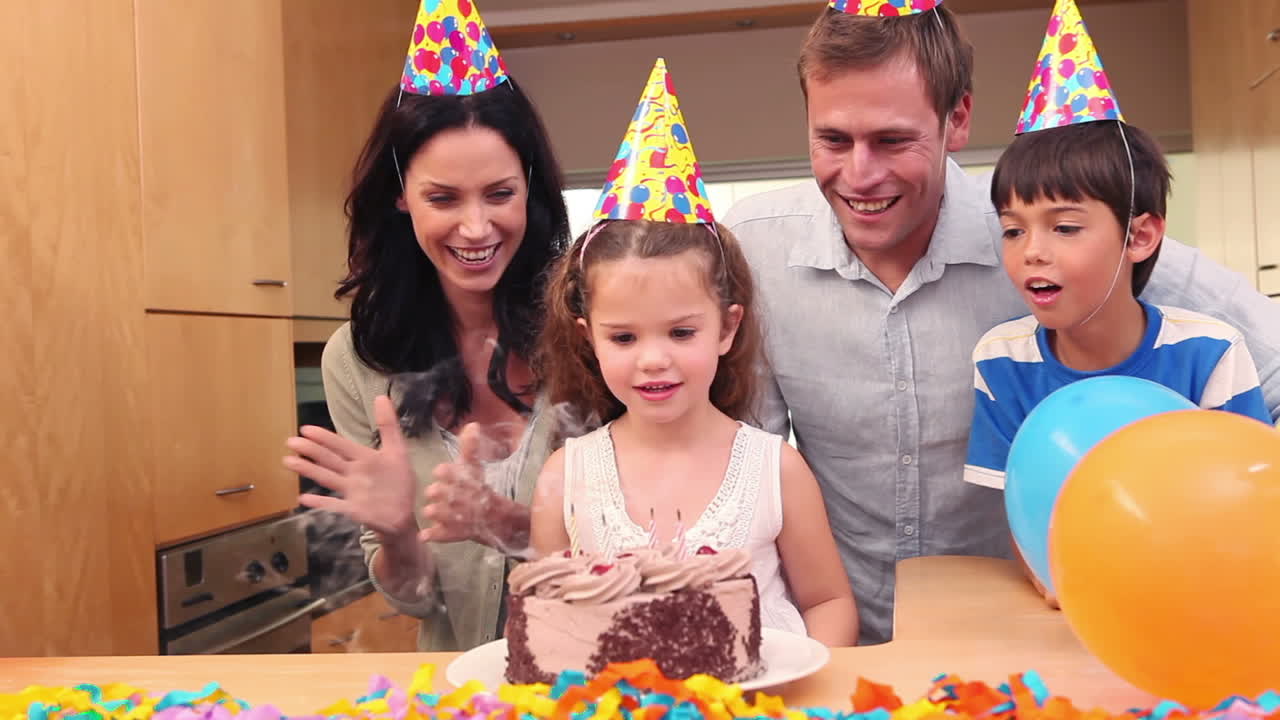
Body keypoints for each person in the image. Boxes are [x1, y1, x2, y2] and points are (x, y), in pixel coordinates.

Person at [722, 0, 1280, 645]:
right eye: (833, 139)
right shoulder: (753, 248)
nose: (860, 174)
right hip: (839, 638)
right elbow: (739, 461)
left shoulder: (1053, 234)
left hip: (1029, 642)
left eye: (893, 140)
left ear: (957, 118)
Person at [528, 59, 859, 647]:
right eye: (624, 338)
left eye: (681, 333)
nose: (654, 359)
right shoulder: (564, 478)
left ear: (727, 329)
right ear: (588, 338)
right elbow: (550, 626)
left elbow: (828, 601)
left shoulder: (775, 469)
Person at [281, 0, 571, 651]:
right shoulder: (358, 360)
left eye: (499, 194)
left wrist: (513, 526)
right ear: (400, 194)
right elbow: (414, 598)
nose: (475, 228)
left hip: (602, 688)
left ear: (531, 188)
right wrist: (395, 535)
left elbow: (656, 542)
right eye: (443, 198)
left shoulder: (595, 334)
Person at [963, 0, 1272, 603]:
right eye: (1013, 229)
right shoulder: (1000, 361)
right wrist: (1069, 587)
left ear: (1140, 235)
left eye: (1065, 228)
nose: (1032, 252)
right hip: (1064, 610)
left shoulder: (1209, 354)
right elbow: (1023, 516)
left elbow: (1251, 505)